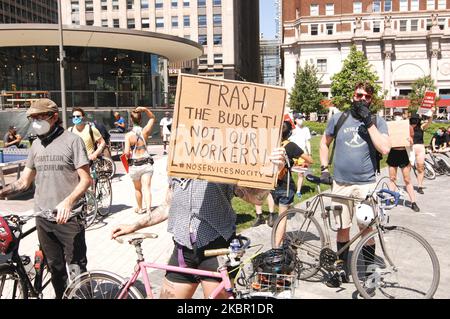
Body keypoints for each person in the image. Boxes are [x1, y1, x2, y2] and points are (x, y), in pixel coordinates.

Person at [111, 148, 286, 299]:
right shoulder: (177, 165)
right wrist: (134, 225)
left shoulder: (225, 164)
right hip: (183, 249)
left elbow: (255, 197)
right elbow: (166, 207)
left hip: (217, 250)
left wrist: (274, 172)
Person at [0, 98, 91, 299]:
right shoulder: (36, 145)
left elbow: (86, 180)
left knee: (77, 270)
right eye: (32, 118)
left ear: (54, 117)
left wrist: (68, 201)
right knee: (55, 270)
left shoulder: (72, 141)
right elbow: (24, 182)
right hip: (43, 218)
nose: (35, 121)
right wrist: (2, 191)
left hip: (69, 219)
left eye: (39, 117)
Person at [319, 82, 391, 284]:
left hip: (366, 185)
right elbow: (324, 143)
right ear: (353, 95)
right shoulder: (339, 118)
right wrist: (324, 168)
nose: (362, 99)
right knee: (342, 227)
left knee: (366, 228)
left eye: (367, 97)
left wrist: (368, 122)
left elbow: (385, 149)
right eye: (359, 95)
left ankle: (368, 272)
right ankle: (341, 269)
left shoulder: (377, 120)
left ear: (371, 100)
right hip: (341, 184)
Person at [257, 121, 312, 230]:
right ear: (289, 133)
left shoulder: (269, 145)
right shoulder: (290, 146)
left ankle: (275, 226)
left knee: (280, 213)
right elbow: (310, 160)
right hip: (285, 185)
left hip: (272, 183)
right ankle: (280, 242)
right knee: (283, 219)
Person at [386, 109, 420, 212]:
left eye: (399, 114)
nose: (397, 116)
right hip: (393, 153)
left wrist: (410, 140)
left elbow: (411, 141)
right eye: (396, 114)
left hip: (403, 153)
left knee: (407, 179)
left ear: (403, 115)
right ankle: (391, 198)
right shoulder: (389, 126)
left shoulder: (407, 127)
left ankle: (413, 202)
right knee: (392, 178)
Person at [124, 107, 155, 214]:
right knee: (147, 187)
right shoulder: (145, 130)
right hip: (146, 163)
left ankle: (140, 208)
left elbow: (126, 153)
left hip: (135, 165)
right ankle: (148, 209)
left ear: (131, 120)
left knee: (138, 189)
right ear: (141, 120)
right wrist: (145, 110)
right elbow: (152, 117)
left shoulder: (128, 136)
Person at [289, 113, 312, 198]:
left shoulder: (306, 129)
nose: (302, 120)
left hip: (303, 155)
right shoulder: (292, 130)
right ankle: (289, 189)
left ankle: (298, 191)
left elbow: (307, 142)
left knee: (301, 173)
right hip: (292, 154)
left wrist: (309, 154)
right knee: (288, 173)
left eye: (302, 118)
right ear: (295, 120)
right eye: (300, 118)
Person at [410, 113, 433, 194]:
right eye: (413, 119)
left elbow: (429, 122)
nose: (414, 121)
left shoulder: (421, 127)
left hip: (420, 148)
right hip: (410, 148)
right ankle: (408, 184)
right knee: (408, 167)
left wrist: (431, 113)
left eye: (415, 119)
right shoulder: (408, 127)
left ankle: (420, 186)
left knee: (420, 167)